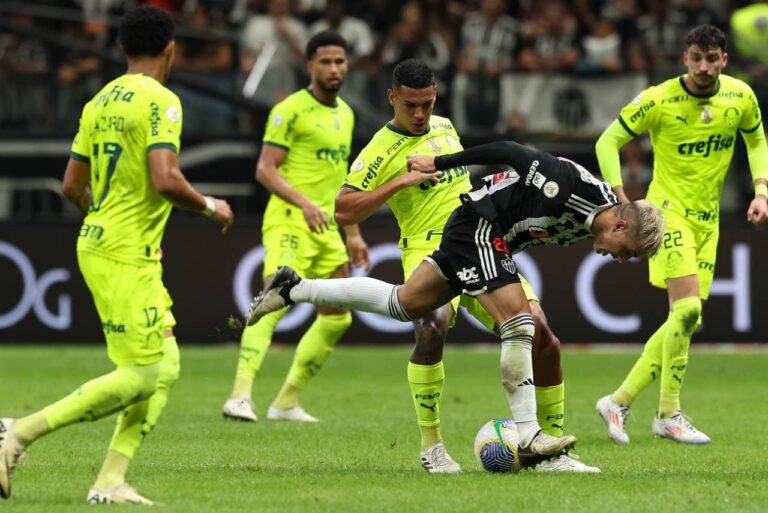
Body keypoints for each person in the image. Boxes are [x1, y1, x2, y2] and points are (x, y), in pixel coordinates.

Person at [248, 139, 664, 470]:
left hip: (485, 236)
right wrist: (441, 162)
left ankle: (293, 290)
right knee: (522, 323)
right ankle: (531, 437)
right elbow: (508, 151)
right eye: (627, 251)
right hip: (480, 225)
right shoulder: (567, 186)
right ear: (621, 224)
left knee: (403, 303)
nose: (621, 259)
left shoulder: (603, 218)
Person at [0, 6, 234, 504]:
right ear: (171, 48)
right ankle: (16, 433)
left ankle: (110, 479)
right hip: (123, 251)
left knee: (166, 364)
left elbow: (71, 186)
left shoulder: (98, 101)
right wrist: (212, 207)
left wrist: (105, 214)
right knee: (145, 373)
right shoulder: (162, 101)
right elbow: (165, 179)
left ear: (122, 49)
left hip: (112, 242)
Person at [335, 58, 597, 473]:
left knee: (542, 335)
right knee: (431, 327)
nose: (420, 114)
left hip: (480, 240)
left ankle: (549, 451)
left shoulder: (445, 127)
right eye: (410, 106)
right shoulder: (378, 151)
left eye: (427, 103)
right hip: (427, 248)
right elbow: (343, 209)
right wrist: (398, 182)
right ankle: (431, 444)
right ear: (391, 98)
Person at [594, 24, 768, 445]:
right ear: (685, 59)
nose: (704, 67)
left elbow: (757, 140)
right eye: (696, 58)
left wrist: (762, 190)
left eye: (712, 59)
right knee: (688, 312)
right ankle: (667, 413)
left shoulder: (741, 96)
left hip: (709, 220)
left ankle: (619, 401)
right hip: (667, 217)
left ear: (724, 60)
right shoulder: (659, 99)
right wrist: (622, 200)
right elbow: (607, 141)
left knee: (685, 318)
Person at [222, 31, 370, 423]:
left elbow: (341, 178)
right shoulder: (290, 109)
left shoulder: (347, 114)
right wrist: (303, 202)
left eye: (340, 61)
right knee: (273, 302)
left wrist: (352, 232)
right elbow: (264, 169)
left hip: (326, 226)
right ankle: (240, 396)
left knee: (338, 317)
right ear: (310, 66)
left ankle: (286, 402)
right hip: (290, 217)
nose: (334, 68)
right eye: (326, 61)